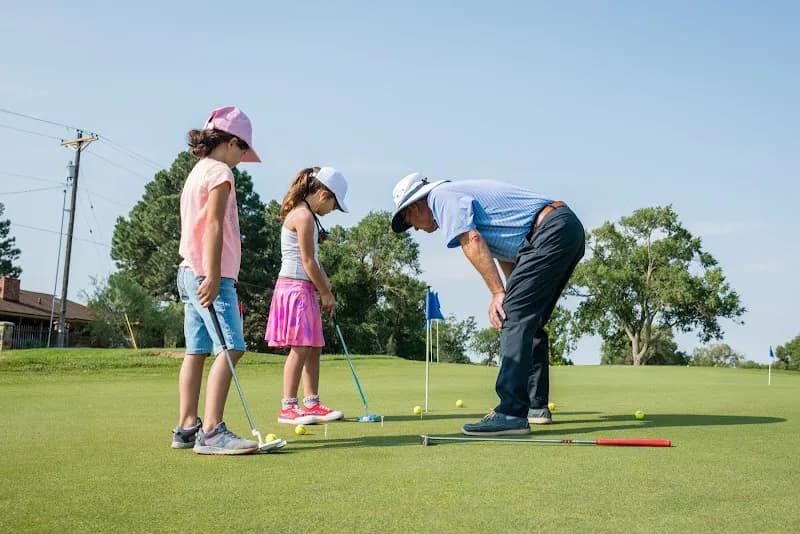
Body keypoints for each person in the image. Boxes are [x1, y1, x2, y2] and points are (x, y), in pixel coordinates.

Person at [390, 173, 585, 436]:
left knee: (513, 316)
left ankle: (511, 412)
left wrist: (498, 294)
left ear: (414, 206)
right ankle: (535, 407)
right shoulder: (456, 196)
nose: (413, 228)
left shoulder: (440, 197)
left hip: (550, 231)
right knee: (526, 319)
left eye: (408, 220)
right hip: (563, 229)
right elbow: (508, 253)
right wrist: (509, 294)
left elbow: (471, 240)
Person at [171, 106, 264, 455]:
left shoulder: (197, 171)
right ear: (230, 142)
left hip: (187, 271)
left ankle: (186, 428)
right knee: (231, 346)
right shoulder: (221, 172)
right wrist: (211, 274)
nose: (242, 158)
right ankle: (212, 431)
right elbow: (212, 224)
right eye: (243, 149)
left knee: (196, 351)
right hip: (210, 274)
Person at [265, 166, 349, 425]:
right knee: (301, 347)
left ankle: (312, 402)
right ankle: (288, 407)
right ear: (323, 195)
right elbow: (308, 261)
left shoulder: (307, 215)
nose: (332, 210)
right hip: (295, 288)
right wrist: (325, 292)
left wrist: (326, 286)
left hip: (304, 288)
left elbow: (315, 261)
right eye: (334, 205)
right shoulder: (303, 216)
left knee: (313, 346)